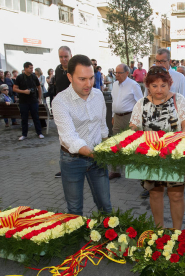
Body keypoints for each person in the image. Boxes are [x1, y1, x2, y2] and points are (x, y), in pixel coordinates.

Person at [129, 66, 185, 229]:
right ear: (148, 86)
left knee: (177, 195)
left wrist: (174, 142)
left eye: (163, 85)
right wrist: (134, 132)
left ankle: (177, 231)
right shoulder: (141, 104)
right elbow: (133, 127)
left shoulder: (178, 100)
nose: (159, 90)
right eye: (154, 86)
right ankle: (159, 230)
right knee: (155, 193)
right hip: (151, 158)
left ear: (169, 84)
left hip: (174, 156)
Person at [53, 54, 112, 216]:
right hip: (72, 160)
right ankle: (77, 241)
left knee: (105, 205)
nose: (88, 84)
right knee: (74, 209)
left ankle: (108, 238)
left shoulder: (98, 95)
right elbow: (69, 138)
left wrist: (108, 147)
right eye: (82, 79)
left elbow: (102, 126)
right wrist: (96, 154)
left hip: (97, 157)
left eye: (91, 78)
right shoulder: (60, 101)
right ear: (69, 77)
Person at [109, 64, 143, 180]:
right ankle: (116, 170)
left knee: (132, 143)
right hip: (117, 118)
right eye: (115, 73)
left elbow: (141, 103)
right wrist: (113, 115)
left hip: (130, 117)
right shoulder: (114, 85)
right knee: (116, 144)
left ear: (127, 73)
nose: (117, 75)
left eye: (119, 73)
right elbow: (114, 101)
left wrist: (137, 120)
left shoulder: (133, 85)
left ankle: (136, 169)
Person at [54, 46, 73, 179]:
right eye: (61, 57)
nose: (63, 59)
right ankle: (65, 167)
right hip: (62, 109)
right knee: (64, 139)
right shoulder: (58, 69)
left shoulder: (76, 69)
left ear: (71, 55)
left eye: (66, 56)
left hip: (75, 108)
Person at [13, 62, 44, 140]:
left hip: (33, 100)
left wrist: (39, 98)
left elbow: (39, 87)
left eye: (32, 68)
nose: (32, 69)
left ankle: (39, 132)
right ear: (25, 68)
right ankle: (24, 134)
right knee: (24, 118)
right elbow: (14, 88)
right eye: (30, 68)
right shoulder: (20, 77)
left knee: (36, 117)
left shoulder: (34, 77)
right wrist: (24, 91)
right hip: (23, 101)